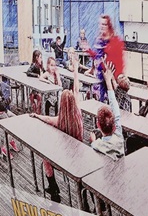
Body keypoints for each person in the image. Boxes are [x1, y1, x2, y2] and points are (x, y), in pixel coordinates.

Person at [31, 56, 85, 203]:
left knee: (46, 158)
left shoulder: (60, 120)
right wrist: (75, 71)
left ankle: (54, 189)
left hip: (64, 159)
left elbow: (47, 119)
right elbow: (77, 89)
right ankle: (84, 199)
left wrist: (36, 114)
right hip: (79, 157)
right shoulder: (78, 114)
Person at [90, 62, 125, 159]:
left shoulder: (97, 145)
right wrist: (108, 82)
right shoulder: (119, 138)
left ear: (98, 125)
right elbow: (115, 107)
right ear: (114, 127)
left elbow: (94, 144)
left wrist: (93, 141)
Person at [88, 14, 125, 104]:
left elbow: (119, 63)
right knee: (101, 103)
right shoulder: (99, 40)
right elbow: (98, 58)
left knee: (112, 103)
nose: (101, 26)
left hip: (112, 78)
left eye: (104, 24)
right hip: (101, 77)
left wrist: (116, 81)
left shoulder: (115, 41)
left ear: (109, 26)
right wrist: (88, 50)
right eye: (100, 24)